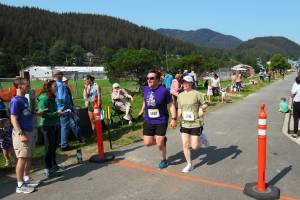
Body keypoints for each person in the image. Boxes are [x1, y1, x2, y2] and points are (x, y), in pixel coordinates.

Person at [138, 69, 177, 169]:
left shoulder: (164, 91)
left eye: (151, 78)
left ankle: (163, 160)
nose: (149, 80)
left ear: (158, 79)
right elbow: (145, 101)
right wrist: (142, 110)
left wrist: (174, 118)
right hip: (148, 120)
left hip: (161, 120)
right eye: (147, 78)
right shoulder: (146, 89)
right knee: (147, 143)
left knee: (159, 143)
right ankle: (163, 141)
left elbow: (171, 105)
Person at [10, 78, 36, 193]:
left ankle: (25, 179)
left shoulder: (24, 99)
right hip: (22, 133)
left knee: (28, 157)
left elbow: (26, 114)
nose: (29, 86)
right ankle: (20, 185)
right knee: (22, 158)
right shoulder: (16, 101)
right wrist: (20, 134)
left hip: (29, 132)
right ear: (20, 86)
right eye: (27, 85)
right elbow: (13, 118)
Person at [176, 76, 208, 173]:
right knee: (185, 144)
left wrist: (201, 109)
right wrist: (175, 119)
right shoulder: (180, 95)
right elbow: (180, 109)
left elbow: (205, 103)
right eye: (183, 82)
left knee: (194, 147)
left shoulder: (197, 94)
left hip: (195, 123)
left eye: (187, 82)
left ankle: (201, 136)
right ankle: (189, 164)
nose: (184, 84)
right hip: (184, 123)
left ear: (191, 83)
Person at [37, 80, 64, 177]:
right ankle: (47, 168)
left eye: (56, 86)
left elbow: (53, 111)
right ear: (49, 87)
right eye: (55, 86)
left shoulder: (52, 97)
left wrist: (58, 112)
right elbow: (43, 114)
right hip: (47, 126)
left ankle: (54, 165)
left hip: (54, 124)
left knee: (53, 146)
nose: (56, 88)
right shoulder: (44, 98)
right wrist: (56, 113)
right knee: (48, 147)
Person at [54, 70, 81, 151]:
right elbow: (63, 98)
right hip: (64, 109)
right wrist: (66, 109)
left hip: (58, 108)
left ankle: (61, 143)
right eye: (61, 74)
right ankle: (64, 145)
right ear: (57, 75)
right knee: (65, 127)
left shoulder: (55, 84)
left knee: (62, 126)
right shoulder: (60, 85)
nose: (62, 75)